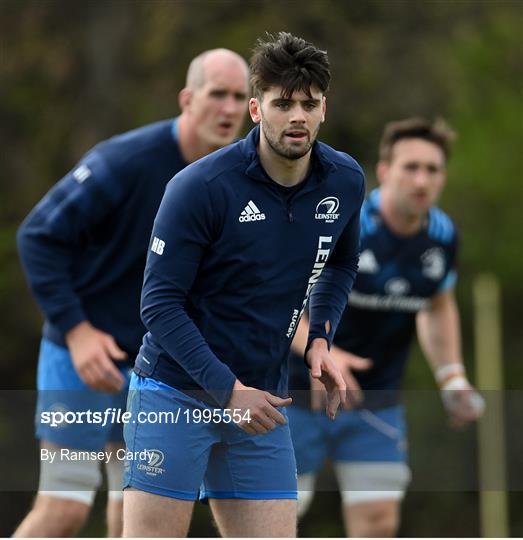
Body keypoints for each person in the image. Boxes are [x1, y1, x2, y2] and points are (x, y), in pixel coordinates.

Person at [121, 32, 366, 538]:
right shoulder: (200, 188)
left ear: (325, 108)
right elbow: (158, 305)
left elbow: (341, 263)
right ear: (256, 109)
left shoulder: (344, 180)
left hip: (262, 401)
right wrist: (227, 390)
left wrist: (319, 338)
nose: (296, 116)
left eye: (308, 104)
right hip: (175, 390)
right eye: (282, 104)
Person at [15, 48, 249, 538]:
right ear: (187, 98)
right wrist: (78, 333)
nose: (228, 109)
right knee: (64, 508)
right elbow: (37, 236)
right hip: (81, 359)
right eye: (217, 95)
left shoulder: (240, 182)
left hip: (155, 370)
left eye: (239, 97)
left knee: (137, 515)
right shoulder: (124, 161)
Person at [288, 117, 485, 537]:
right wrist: (319, 348)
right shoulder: (344, 220)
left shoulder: (442, 236)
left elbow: (436, 304)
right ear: (383, 171)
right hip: (294, 393)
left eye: (432, 170)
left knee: (379, 522)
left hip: (375, 401)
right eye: (410, 167)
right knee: (278, 517)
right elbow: (274, 300)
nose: (421, 180)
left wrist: (452, 376)